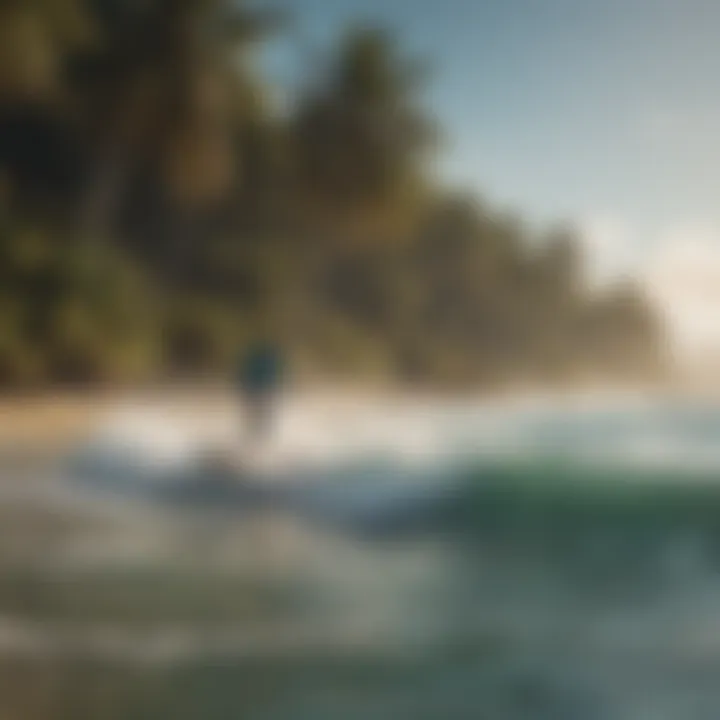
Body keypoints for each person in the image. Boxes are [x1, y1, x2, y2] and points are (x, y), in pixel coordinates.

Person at [236, 339, 285, 448]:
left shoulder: (252, 360)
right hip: (263, 390)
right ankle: (261, 433)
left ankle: (257, 433)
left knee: (256, 412)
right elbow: (274, 377)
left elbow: (244, 375)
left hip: (255, 390)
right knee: (263, 412)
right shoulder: (269, 360)